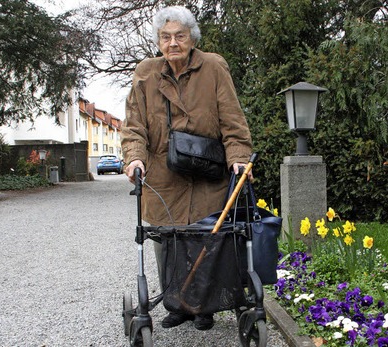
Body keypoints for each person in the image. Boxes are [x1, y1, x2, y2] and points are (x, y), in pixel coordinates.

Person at [121, 5, 253, 331]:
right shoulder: (146, 73)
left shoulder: (213, 67)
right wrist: (134, 157)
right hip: (164, 177)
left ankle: (204, 306)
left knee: (206, 240)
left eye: (180, 36)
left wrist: (238, 156)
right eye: (165, 37)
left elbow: (232, 121)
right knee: (167, 239)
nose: (173, 43)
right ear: (158, 41)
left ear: (192, 38)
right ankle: (175, 303)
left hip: (207, 175)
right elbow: (134, 125)